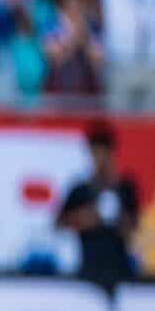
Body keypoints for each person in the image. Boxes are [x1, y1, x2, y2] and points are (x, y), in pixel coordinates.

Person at [56, 123, 139, 288]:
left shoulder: (124, 187)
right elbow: (59, 223)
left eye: (104, 153)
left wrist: (115, 217)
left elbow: (133, 226)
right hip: (88, 269)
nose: (100, 159)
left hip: (119, 269)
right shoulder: (80, 190)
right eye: (95, 153)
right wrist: (86, 218)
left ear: (111, 154)